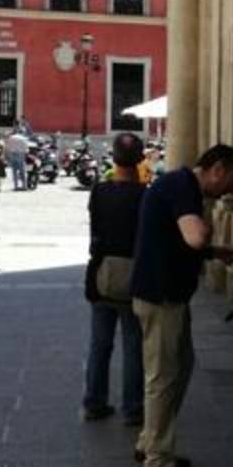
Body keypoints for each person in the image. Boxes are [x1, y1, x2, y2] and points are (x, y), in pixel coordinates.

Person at [131, 144, 233, 467]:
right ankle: (158, 460)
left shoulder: (180, 186)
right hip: (161, 296)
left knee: (179, 366)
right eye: (232, 180)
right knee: (163, 376)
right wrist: (207, 238)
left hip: (167, 295)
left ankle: (151, 443)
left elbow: (177, 239)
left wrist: (215, 252)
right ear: (217, 169)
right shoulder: (183, 187)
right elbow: (193, 237)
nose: (231, 190)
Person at [83, 133, 149, 426]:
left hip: (101, 274)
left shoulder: (99, 191)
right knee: (133, 344)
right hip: (133, 276)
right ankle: (133, 408)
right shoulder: (145, 195)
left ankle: (94, 401)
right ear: (140, 159)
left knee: (100, 343)